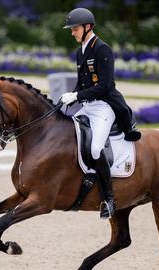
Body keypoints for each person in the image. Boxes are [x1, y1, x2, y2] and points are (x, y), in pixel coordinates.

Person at [60, 7, 141, 219]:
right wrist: (70, 96)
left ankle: (109, 199)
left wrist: (77, 96)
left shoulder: (102, 49)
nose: (72, 33)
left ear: (88, 27)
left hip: (104, 106)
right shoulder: (81, 51)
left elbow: (105, 86)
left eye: (75, 29)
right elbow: (81, 82)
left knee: (96, 149)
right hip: (88, 105)